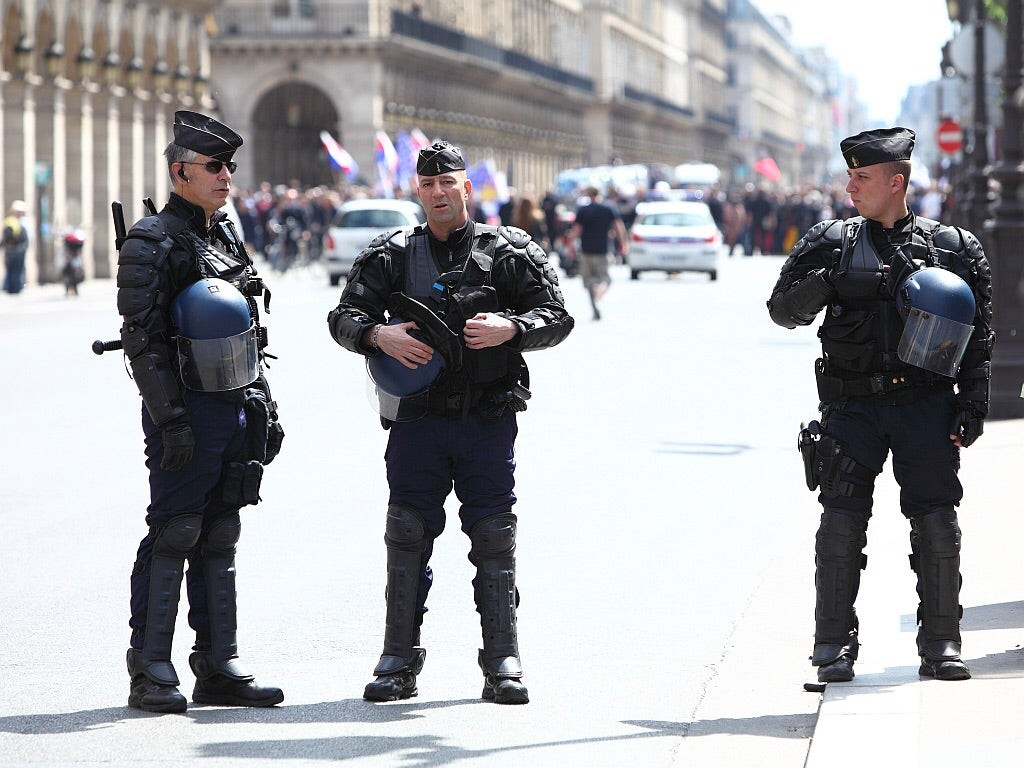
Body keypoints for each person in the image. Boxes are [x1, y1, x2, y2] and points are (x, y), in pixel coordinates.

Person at [327, 140, 574, 705]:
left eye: (449, 183)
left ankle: (502, 660)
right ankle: (398, 659)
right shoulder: (391, 253)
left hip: (486, 420)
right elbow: (343, 316)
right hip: (417, 422)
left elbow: (557, 315)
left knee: (492, 535)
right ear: (418, 191)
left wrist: (512, 329)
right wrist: (375, 334)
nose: (439, 193)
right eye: (428, 185)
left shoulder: (508, 250)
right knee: (407, 533)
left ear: (468, 188)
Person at [767, 127, 993, 684]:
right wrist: (827, 280)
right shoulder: (831, 240)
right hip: (852, 408)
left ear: (897, 182)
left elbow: (981, 333)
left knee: (937, 523)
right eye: (849, 176)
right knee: (840, 524)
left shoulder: (953, 247)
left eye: (861, 177)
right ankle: (832, 646)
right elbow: (781, 311)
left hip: (926, 406)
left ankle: (941, 644)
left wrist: (974, 404)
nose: (850, 187)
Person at [116, 110, 285, 713]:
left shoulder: (226, 234)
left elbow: (251, 331)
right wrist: (171, 420)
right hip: (186, 407)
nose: (226, 177)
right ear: (179, 171)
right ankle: (152, 668)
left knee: (221, 532)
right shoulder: (152, 239)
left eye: (230, 167)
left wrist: (265, 403)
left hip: (237, 405)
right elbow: (142, 339)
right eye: (214, 166)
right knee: (175, 530)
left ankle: (219, 664)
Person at [570, 186, 627, 320]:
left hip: (586, 251)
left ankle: (594, 300)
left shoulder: (583, 210)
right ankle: (598, 297)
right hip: (603, 250)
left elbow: (577, 230)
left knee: (588, 280)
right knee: (605, 279)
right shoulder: (609, 208)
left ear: (588, 194)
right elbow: (619, 227)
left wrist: (570, 246)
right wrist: (623, 244)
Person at [2, 200, 29, 294]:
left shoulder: (12, 220)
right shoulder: (13, 221)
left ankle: (10, 288)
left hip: (14, 248)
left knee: (12, 269)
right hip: (16, 249)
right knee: (16, 269)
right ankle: (15, 288)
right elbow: (9, 235)